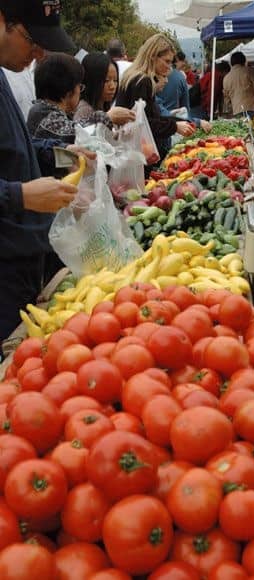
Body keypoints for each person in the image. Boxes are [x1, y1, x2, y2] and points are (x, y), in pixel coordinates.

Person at [0, 0, 95, 347]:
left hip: (23, 255)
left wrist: (59, 153)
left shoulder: (2, 73)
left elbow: (14, 146)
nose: (39, 54)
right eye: (31, 39)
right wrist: (20, 195)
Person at [116, 34, 195, 163]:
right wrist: (175, 126)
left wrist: (176, 121)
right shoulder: (143, 81)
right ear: (153, 56)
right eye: (167, 61)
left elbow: (148, 117)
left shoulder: (133, 76)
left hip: (131, 151)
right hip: (138, 156)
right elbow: (146, 123)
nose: (169, 67)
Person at [27, 53, 84, 143]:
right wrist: (106, 118)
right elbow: (78, 133)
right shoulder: (44, 114)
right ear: (69, 93)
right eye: (80, 87)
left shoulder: (41, 109)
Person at [74, 52, 135, 129]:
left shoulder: (104, 107)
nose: (112, 86)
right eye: (106, 81)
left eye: (115, 80)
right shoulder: (84, 111)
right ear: (92, 81)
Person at [223, 52, 254, 117]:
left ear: (231, 63)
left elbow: (227, 99)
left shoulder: (226, 78)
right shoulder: (250, 71)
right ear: (243, 61)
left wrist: (232, 109)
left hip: (237, 111)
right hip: (253, 109)